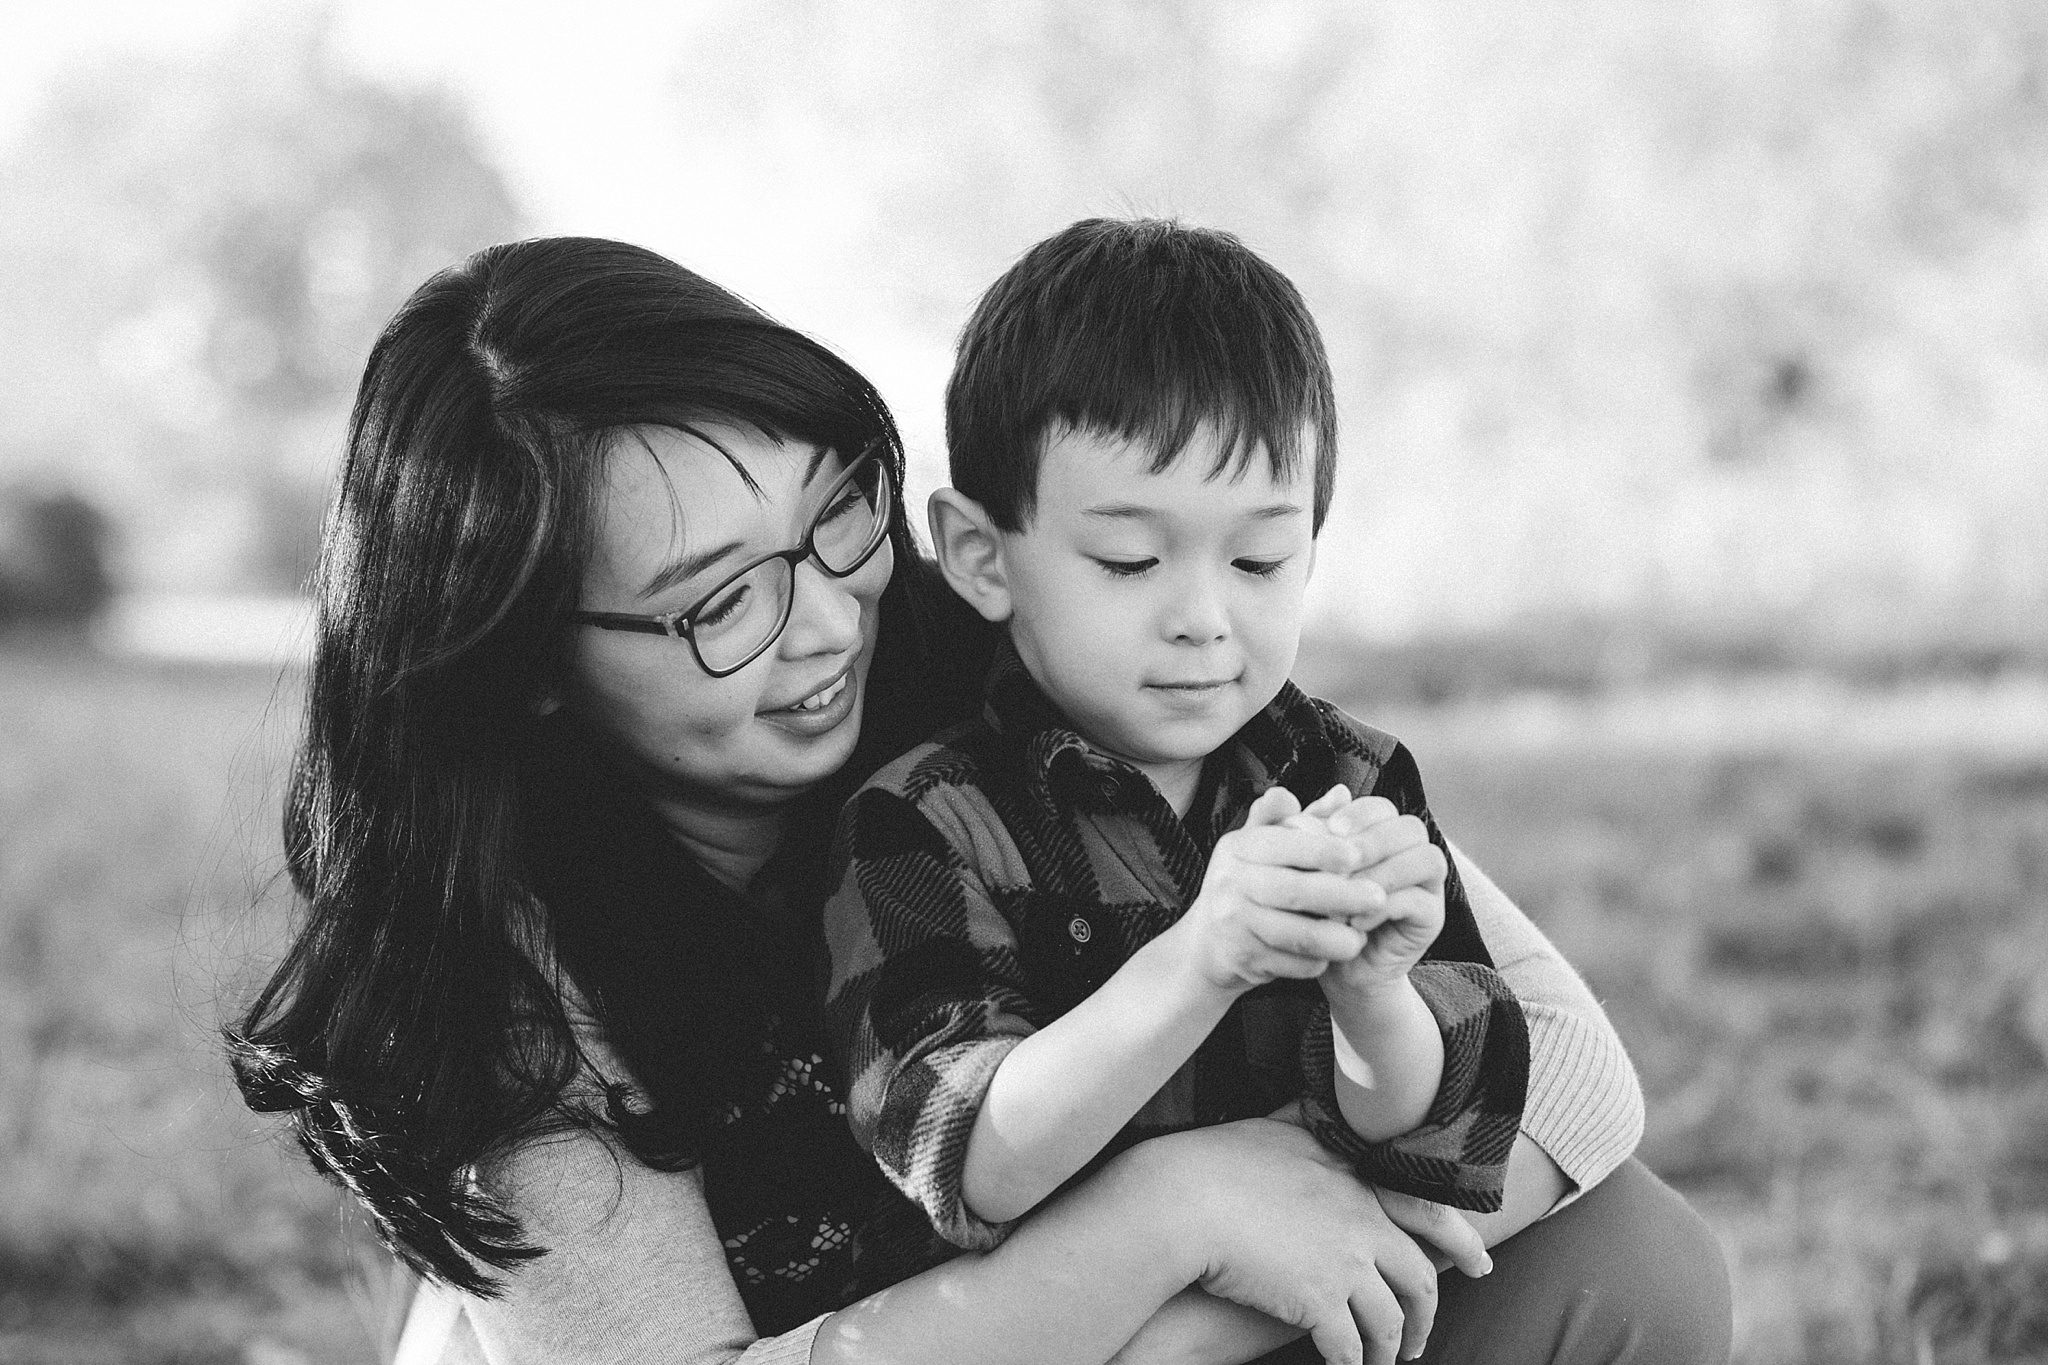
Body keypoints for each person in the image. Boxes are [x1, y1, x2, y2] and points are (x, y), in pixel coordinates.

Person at [224, 235, 1732, 1365]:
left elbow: (1578, 1081)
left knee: (1629, 1261)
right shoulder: (497, 960)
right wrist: (1174, 1223)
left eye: (832, 516)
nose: (827, 622)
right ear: (528, 658)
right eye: (716, 605)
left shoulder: (1054, 650)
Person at [822, 221, 1531, 1337]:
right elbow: (966, 1156)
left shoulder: (1344, 774)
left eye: (1257, 560)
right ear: (978, 555)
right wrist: (1203, 958)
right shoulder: (926, 820)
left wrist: (1372, 997)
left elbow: (1424, 1126)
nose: (1202, 618)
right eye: (1128, 561)